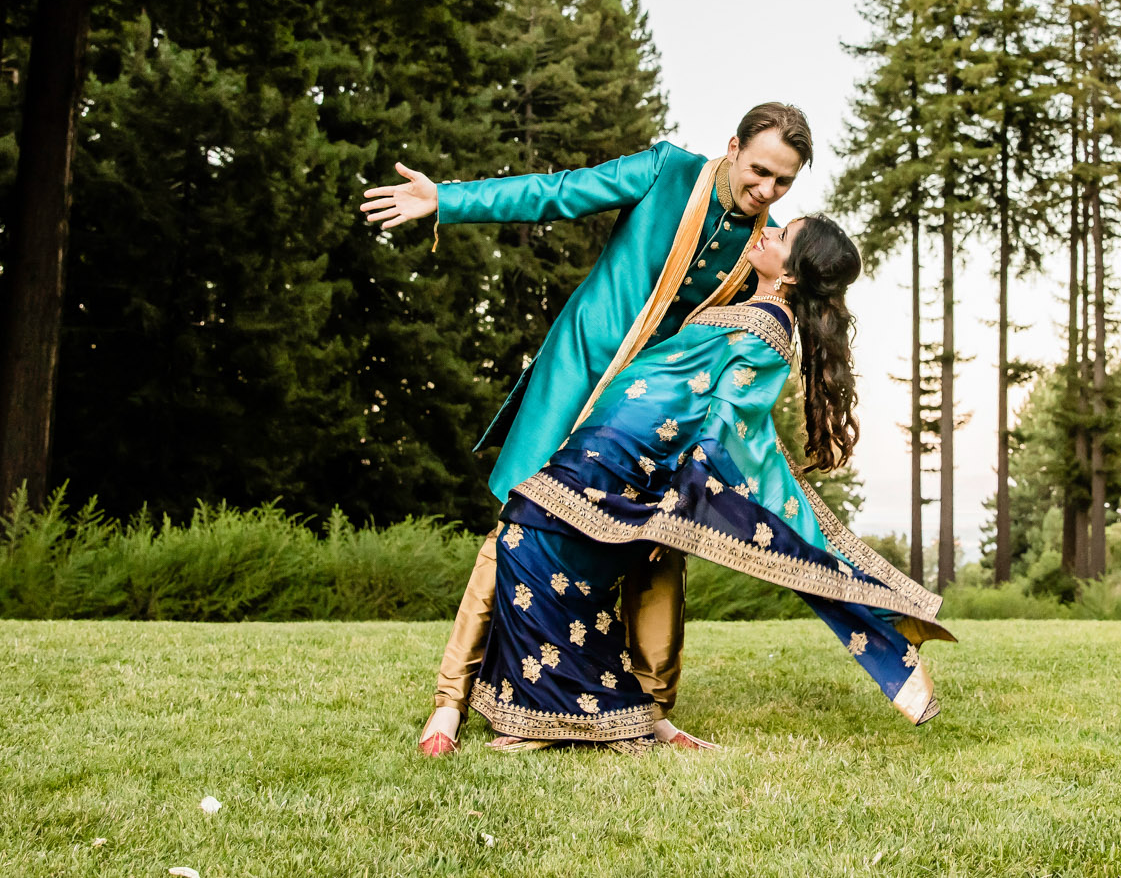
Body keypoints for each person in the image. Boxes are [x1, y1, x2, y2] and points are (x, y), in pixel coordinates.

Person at [360, 103, 812, 755]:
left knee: (657, 546)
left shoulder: (769, 247)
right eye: (760, 171)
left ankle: (652, 712)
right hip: (582, 379)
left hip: (654, 418)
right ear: (733, 145)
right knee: (515, 528)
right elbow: (557, 192)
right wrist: (447, 200)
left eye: (783, 184)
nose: (766, 192)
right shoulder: (665, 170)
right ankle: (448, 705)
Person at [473, 213, 950, 750]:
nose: (767, 233)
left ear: (790, 273)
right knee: (540, 549)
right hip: (613, 442)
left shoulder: (771, 330)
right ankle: (592, 710)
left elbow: (726, 425)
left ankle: (564, 712)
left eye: (781, 236)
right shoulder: (755, 307)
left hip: (634, 458)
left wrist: (675, 510)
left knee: (525, 538)